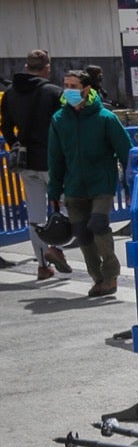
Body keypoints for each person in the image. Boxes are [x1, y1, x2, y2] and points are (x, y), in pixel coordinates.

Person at [46, 68, 131, 298]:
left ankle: (111, 273)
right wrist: (54, 190)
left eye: (73, 86)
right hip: (74, 188)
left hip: (101, 185)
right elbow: (55, 158)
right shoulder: (59, 120)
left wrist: (129, 184)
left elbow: (126, 152)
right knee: (82, 234)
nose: (68, 90)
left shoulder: (106, 118)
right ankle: (98, 279)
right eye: (66, 85)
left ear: (86, 89)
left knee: (98, 224)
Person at [0, 48, 72, 279]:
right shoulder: (54, 93)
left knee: (35, 215)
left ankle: (42, 265)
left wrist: (16, 146)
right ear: (47, 68)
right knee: (64, 207)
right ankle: (56, 248)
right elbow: (67, 123)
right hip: (52, 161)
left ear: (25, 67)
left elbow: (6, 127)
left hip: (27, 162)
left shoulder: (10, 94)